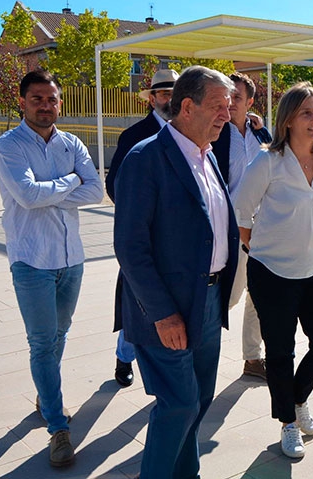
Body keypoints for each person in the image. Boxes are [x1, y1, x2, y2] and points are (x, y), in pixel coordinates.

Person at [113, 66, 239, 479]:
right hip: (168, 310)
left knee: (198, 401)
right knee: (179, 403)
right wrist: (163, 314)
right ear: (187, 106)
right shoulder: (145, 158)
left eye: (231, 104)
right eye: (220, 105)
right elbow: (131, 247)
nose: (228, 113)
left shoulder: (207, 155)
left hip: (208, 301)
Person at [0, 70, 104, 467]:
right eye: (37, 98)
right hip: (31, 259)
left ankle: (46, 391)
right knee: (42, 343)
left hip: (71, 258)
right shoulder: (9, 145)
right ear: (23, 102)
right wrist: (71, 180)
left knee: (60, 334)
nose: (46, 105)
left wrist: (51, 191)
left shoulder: (71, 142)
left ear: (60, 102)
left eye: (52, 99)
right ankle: (57, 427)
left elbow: (96, 190)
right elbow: (25, 195)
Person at [233, 81, 313, 459]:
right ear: (288, 121)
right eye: (306, 113)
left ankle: (296, 399)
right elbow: (240, 210)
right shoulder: (268, 161)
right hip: (272, 272)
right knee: (280, 353)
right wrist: (255, 248)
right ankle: (288, 423)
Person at [105, 68, 179, 388]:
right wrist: (141, 216)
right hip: (146, 239)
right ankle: (125, 356)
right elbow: (114, 186)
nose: (170, 100)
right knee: (139, 301)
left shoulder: (190, 131)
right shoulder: (134, 136)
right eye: (164, 94)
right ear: (151, 99)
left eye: (175, 94)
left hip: (180, 243)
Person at [212, 72, 272, 380]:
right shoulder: (216, 134)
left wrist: (264, 130)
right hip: (231, 230)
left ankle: (252, 358)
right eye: (227, 96)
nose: (230, 103)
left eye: (237, 97)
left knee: (259, 295)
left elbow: (278, 155)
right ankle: (202, 349)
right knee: (229, 297)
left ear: (249, 102)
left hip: (263, 229)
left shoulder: (259, 134)